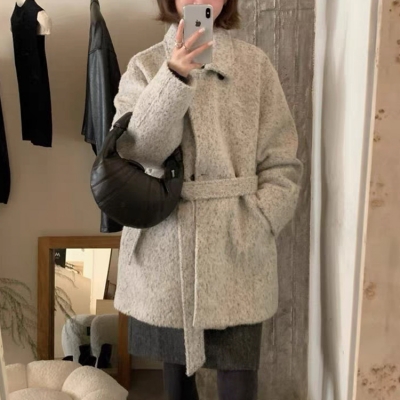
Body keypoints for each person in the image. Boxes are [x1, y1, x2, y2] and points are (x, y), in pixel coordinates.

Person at [112, 0, 303, 399]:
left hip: (238, 250)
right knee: (176, 386)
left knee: (239, 382)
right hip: (166, 252)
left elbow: (281, 160)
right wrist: (173, 76)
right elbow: (140, 150)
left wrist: (261, 219)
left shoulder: (255, 66)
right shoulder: (144, 66)